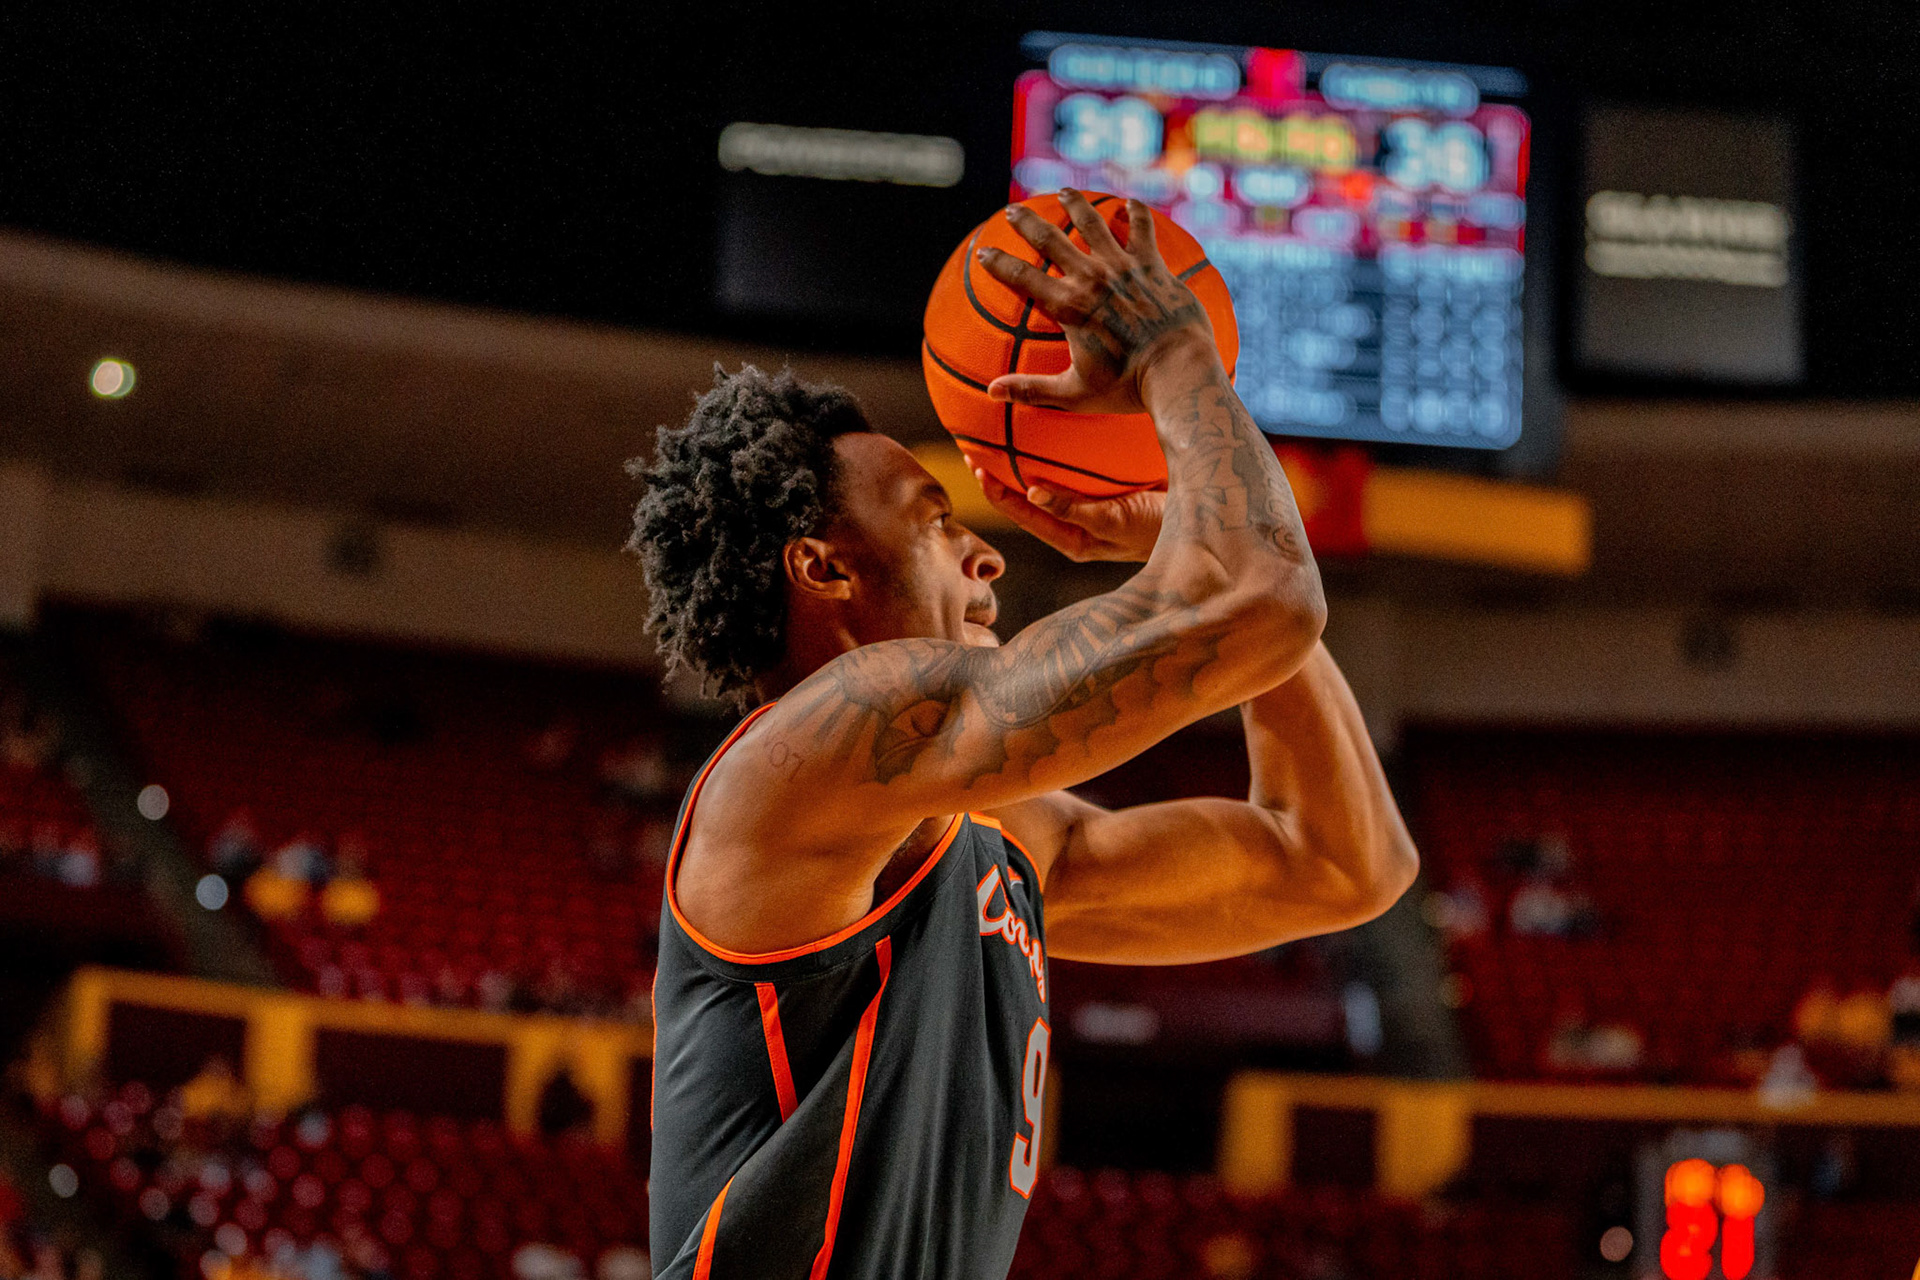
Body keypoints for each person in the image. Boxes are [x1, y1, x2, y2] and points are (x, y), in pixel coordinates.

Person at [630, 192, 1418, 1280]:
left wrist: (1169, 535)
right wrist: (1175, 357)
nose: (986, 554)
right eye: (937, 519)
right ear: (822, 567)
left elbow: (1340, 861)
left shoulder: (998, 840)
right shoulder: (804, 756)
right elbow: (1265, 597)